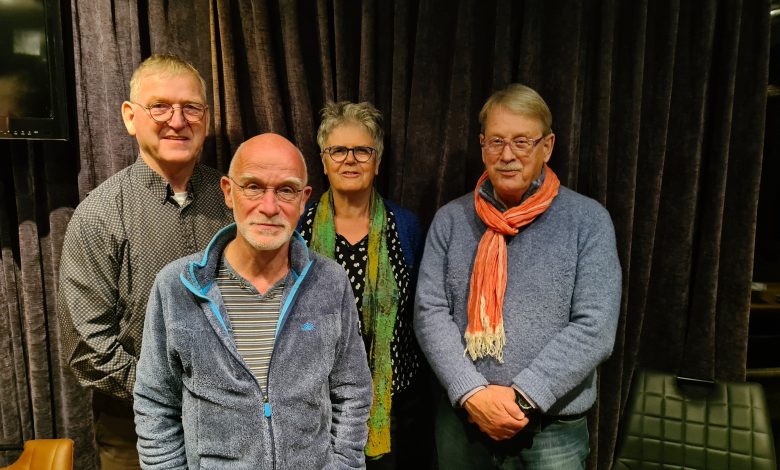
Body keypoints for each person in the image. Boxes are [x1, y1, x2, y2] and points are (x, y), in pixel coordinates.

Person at [133, 133, 373, 469]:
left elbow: (353, 390)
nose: (269, 207)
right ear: (228, 192)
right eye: (253, 187)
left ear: (303, 200)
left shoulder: (330, 282)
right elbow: (155, 403)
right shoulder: (176, 286)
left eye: (286, 190)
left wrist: (344, 465)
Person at [414, 83, 622, 469]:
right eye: (496, 141)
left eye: (522, 142)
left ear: (548, 146)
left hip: (552, 431)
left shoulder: (588, 221)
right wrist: (473, 392)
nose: (507, 155)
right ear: (482, 146)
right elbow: (429, 313)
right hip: (464, 421)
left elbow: (595, 327)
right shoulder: (450, 220)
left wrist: (523, 397)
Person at [57, 54, 233, 469]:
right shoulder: (99, 215)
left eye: (191, 108)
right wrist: (170, 392)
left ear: (207, 119)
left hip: (231, 421)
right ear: (130, 117)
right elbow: (87, 347)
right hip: (133, 431)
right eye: (160, 107)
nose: (178, 120)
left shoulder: (234, 200)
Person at [297, 101, 432, 468]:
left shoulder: (405, 227)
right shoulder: (298, 228)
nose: (350, 160)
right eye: (338, 150)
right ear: (324, 161)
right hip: (316, 404)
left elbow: (422, 312)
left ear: (377, 161)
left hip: (395, 404)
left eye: (362, 150)